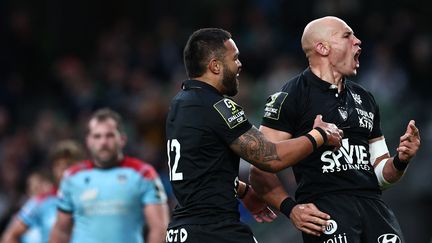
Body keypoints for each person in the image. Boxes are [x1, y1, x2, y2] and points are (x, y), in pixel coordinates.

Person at [250, 16, 421, 243]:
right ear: (322, 48)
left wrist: (401, 160)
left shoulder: (365, 97)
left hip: (374, 209)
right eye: (347, 36)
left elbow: (380, 176)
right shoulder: (291, 97)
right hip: (326, 211)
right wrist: (291, 209)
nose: (358, 41)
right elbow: (260, 169)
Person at [165, 28, 343, 243]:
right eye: (235, 58)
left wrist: (241, 190)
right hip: (215, 231)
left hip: (181, 232)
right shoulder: (217, 107)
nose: (239, 65)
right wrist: (319, 135)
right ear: (215, 66)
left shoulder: (180, 104)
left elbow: (200, 169)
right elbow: (270, 156)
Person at [49, 108, 169, 243]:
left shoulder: (143, 174)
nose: (103, 142)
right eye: (97, 136)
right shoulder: (72, 177)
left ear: (122, 139)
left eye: (109, 136)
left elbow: (160, 228)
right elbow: (61, 231)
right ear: (88, 141)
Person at [1, 140, 85, 243]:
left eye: (69, 164)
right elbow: (10, 235)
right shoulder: (42, 201)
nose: (63, 171)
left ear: (81, 167)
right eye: (58, 165)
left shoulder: (93, 197)